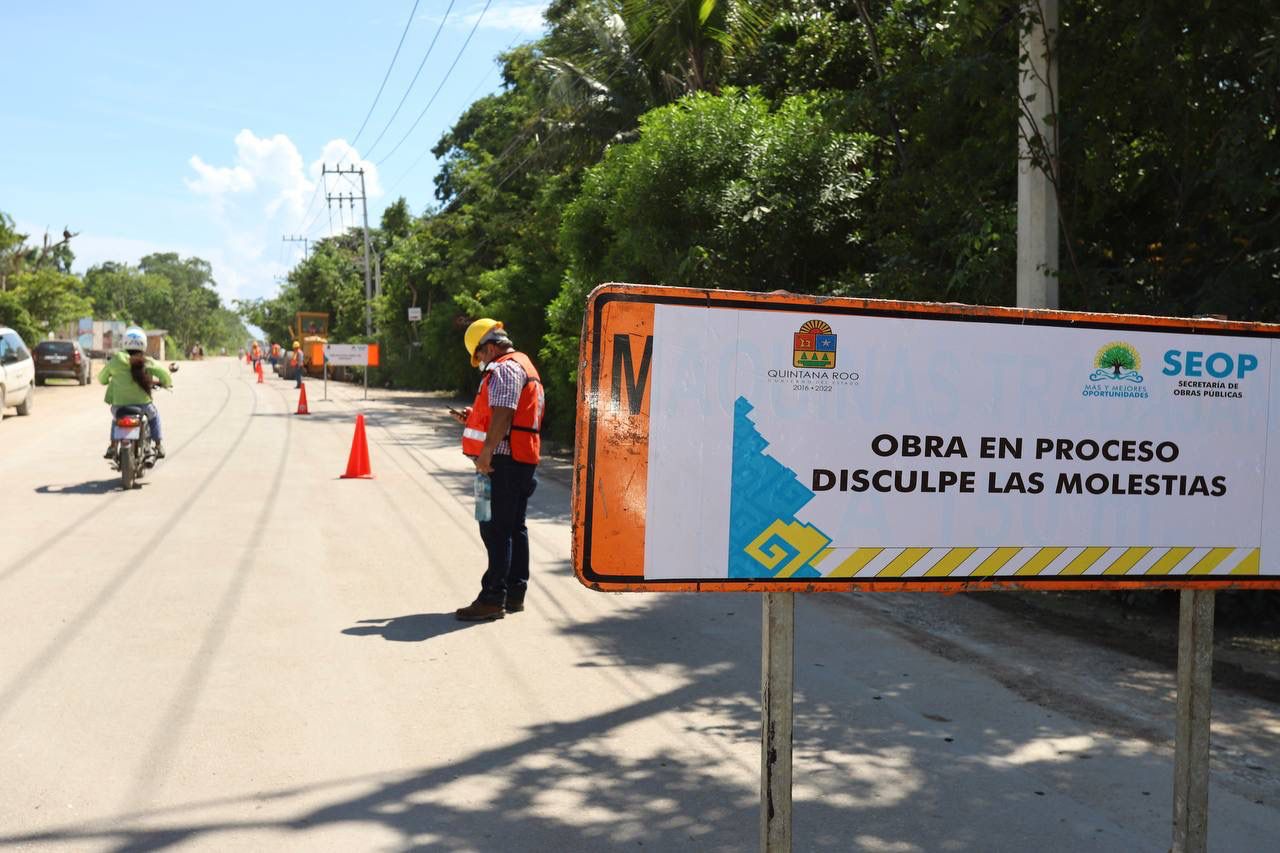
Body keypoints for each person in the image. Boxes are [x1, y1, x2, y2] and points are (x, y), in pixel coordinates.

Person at [450, 319, 545, 622]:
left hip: (500, 461)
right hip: (521, 458)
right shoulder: (524, 364)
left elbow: (503, 414)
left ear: (489, 347)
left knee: (494, 528)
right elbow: (503, 414)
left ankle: (492, 598)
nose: (480, 364)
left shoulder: (503, 368)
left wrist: (486, 454)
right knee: (515, 527)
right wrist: (473, 418)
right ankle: (514, 594)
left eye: (480, 357)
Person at [99, 326, 172, 459]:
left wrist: (106, 381)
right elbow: (165, 375)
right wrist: (166, 383)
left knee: (116, 419)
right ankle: (158, 445)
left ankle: (113, 446)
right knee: (153, 417)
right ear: (143, 344)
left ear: (124, 342)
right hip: (143, 406)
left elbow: (101, 378)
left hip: (119, 405)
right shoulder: (147, 361)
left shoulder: (115, 361)